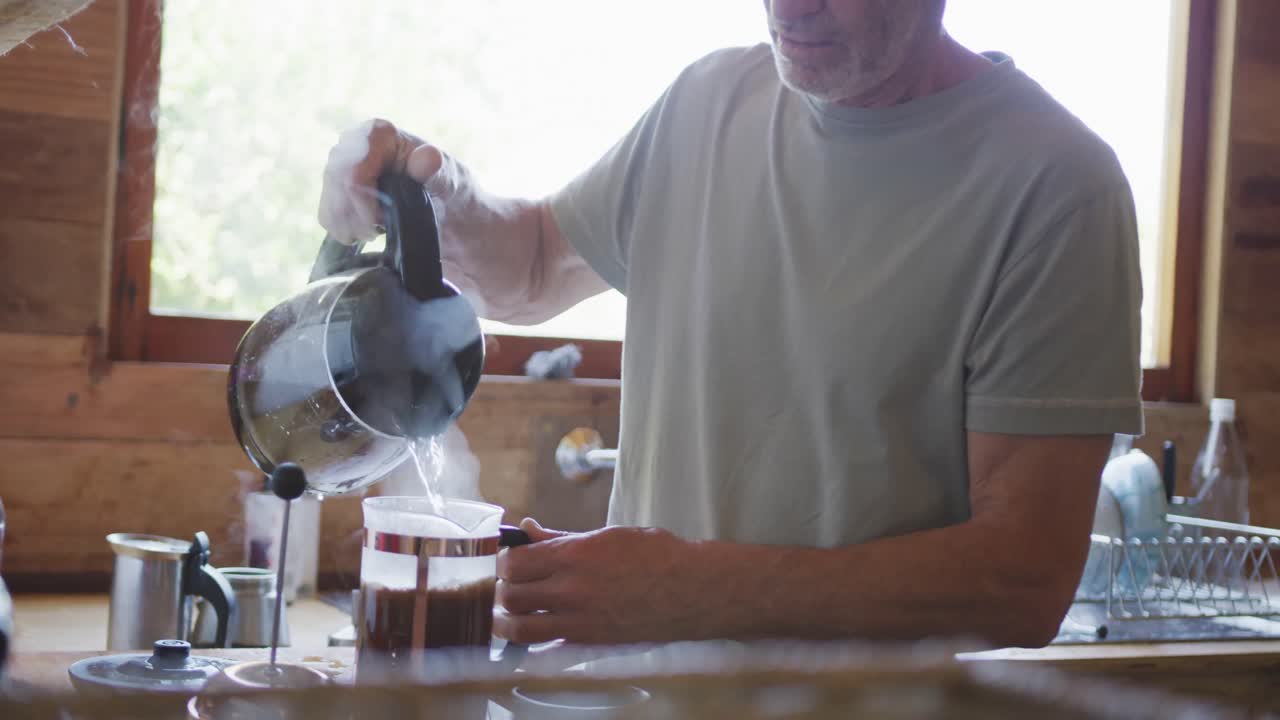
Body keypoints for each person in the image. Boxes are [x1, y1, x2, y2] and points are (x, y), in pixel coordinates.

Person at [320, 0, 1143, 649]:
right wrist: (432, 196)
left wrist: (693, 590)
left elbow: (1023, 579)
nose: (791, 6)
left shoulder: (1056, 185)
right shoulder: (707, 101)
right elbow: (534, 264)